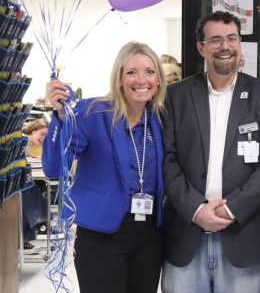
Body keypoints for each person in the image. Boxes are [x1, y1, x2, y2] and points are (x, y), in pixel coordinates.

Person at [161, 11, 260, 293]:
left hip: (242, 237)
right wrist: (196, 210)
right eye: (215, 40)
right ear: (201, 47)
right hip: (186, 236)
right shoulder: (176, 96)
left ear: (240, 43)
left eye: (231, 38)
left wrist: (232, 207)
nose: (225, 46)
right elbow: (167, 160)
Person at [43, 41, 167, 293]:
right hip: (102, 233)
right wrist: (59, 119)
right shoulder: (92, 112)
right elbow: (54, 168)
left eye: (150, 72)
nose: (141, 79)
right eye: (131, 72)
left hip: (149, 236)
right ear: (119, 78)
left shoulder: (159, 118)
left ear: (159, 80)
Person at [21, 117, 49, 253]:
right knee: (29, 187)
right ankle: (42, 219)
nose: (43, 138)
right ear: (34, 130)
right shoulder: (23, 140)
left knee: (34, 186)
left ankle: (40, 221)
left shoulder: (27, 144)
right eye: (42, 134)